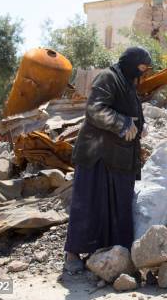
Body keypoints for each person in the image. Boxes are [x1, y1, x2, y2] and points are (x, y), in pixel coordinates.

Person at [64, 47, 152, 272]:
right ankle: (73, 254)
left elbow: (128, 111)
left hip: (120, 156)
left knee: (117, 205)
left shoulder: (128, 82)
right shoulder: (109, 77)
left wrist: (139, 126)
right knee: (89, 203)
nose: (142, 73)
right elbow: (95, 109)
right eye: (141, 67)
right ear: (130, 62)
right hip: (98, 154)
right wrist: (122, 123)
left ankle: (108, 253)